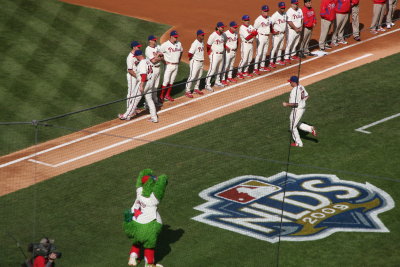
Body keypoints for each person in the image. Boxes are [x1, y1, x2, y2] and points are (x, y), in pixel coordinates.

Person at [118, 50, 162, 123]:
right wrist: (157, 56)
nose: (136, 58)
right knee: (149, 100)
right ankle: (154, 117)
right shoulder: (147, 60)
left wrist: (141, 86)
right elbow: (154, 60)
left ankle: (126, 116)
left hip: (144, 83)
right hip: (150, 82)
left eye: (136, 57)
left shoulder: (142, 63)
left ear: (138, 56)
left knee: (135, 99)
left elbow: (143, 75)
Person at [282, 76, 317, 147]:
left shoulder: (294, 91)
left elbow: (295, 104)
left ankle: (299, 143)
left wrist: (286, 104)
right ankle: (310, 129)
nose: (290, 83)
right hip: (303, 107)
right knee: (294, 122)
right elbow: (307, 96)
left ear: (294, 82)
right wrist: (301, 102)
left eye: (290, 82)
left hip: (297, 109)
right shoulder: (301, 86)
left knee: (292, 127)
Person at [119, 41, 142, 120]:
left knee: (135, 92)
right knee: (131, 93)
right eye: (138, 47)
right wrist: (137, 77)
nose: (139, 48)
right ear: (134, 47)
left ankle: (133, 107)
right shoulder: (130, 57)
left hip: (137, 76)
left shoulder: (137, 54)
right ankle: (129, 109)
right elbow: (130, 70)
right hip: (132, 76)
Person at [160, 30, 183, 102]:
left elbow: (181, 51)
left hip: (176, 65)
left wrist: (179, 60)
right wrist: (164, 61)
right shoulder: (165, 44)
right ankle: (161, 96)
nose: (176, 38)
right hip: (169, 65)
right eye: (175, 37)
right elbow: (159, 54)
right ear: (171, 37)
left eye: (177, 37)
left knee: (172, 81)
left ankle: (167, 95)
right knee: (165, 81)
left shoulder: (179, 43)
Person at [205, 22, 226, 91]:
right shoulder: (213, 35)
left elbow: (224, 42)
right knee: (212, 69)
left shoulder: (224, 35)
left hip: (221, 54)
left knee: (219, 69)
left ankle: (217, 82)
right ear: (218, 27)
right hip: (215, 54)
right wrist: (210, 55)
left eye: (223, 27)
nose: (223, 28)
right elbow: (208, 45)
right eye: (222, 27)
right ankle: (207, 84)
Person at [185, 30, 205, 98]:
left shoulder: (202, 42)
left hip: (201, 61)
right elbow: (189, 54)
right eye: (202, 35)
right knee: (192, 76)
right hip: (195, 61)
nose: (203, 36)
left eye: (203, 35)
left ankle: (196, 88)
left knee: (199, 76)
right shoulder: (195, 43)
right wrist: (192, 59)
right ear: (198, 35)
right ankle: (187, 91)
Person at [254, 5, 272, 73]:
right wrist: (256, 39)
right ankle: (255, 68)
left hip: (267, 37)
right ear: (262, 11)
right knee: (259, 53)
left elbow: (270, 26)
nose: (266, 12)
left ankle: (262, 66)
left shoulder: (269, 18)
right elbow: (255, 29)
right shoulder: (258, 19)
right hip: (260, 37)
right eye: (265, 11)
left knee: (264, 52)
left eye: (267, 11)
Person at [145, 35, 162, 106]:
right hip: (152, 69)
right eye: (154, 40)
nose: (155, 41)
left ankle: (155, 101)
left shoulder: (158, 46)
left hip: (158, 68)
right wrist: (159, 57)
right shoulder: (148, 49)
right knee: (150, 87)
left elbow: (162, 56)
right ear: (150, 41)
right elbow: (153, 61)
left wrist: (157, 56)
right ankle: (147, 104)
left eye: (155, 40)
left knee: (156, 86)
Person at [270, 2, 288, 68]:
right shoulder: (275, 15)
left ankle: (278, 60)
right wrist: (273, 31)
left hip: (282, 34)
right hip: (277, 35)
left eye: (284, 8)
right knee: (274, 48)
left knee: (280, 48)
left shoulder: (285, 14)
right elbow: (270, 24)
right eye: (282, 8)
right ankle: (271, 62)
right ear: (279, 7)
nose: (283, 9)